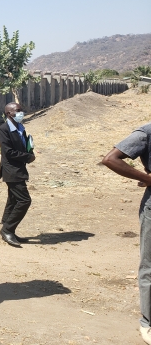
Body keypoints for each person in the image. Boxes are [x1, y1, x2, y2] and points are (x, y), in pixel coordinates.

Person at [102, 123, 151, 344]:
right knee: (150, 265)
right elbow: (111, 159)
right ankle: (148, 322)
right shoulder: (146, 132)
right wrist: (149, 179)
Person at [0, 102, 35, 248]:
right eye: (17, 111)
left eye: (21, 110)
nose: (21, 113)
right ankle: (7, 229)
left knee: (13, 199)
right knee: (24, 200)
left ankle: (8, 227)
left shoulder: (20, 128)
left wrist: (29, 152)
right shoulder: (4, 129)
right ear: (9, 113)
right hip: (11, 170)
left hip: (19, 169)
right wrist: (27, 157)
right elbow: (8, 152)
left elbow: (23, 145)